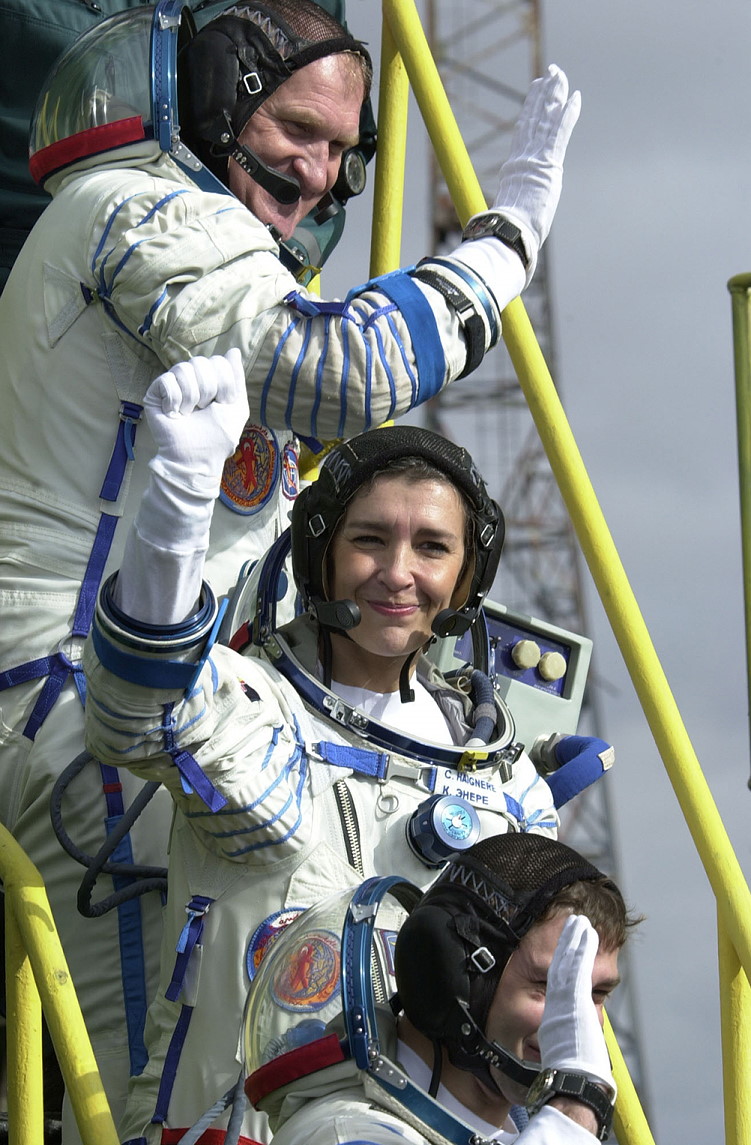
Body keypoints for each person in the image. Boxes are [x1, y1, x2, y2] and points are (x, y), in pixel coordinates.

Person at [0, 0, 580, 1131]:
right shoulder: (138, 208)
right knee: (160, 1066)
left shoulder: (219, 258)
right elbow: (343, 368)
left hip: (154, 685)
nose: (318, 173)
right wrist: (504, 240)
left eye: (340, 151)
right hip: (77, 698)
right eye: (296, 130)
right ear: (214, 106)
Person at [81, 349, 615, 1144]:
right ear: (321, 554)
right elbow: (136, 706)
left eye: (431, 547)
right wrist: (180, 502)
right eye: (370, 539)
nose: (397, 573)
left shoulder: (504, 783)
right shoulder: (255, 709)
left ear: (468, 576)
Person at [243, 833, 637, 1145]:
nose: (578, 1025)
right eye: (549, 986)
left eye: (596, 995)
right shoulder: (343, 1133)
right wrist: (574, 1108)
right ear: (449, 977)